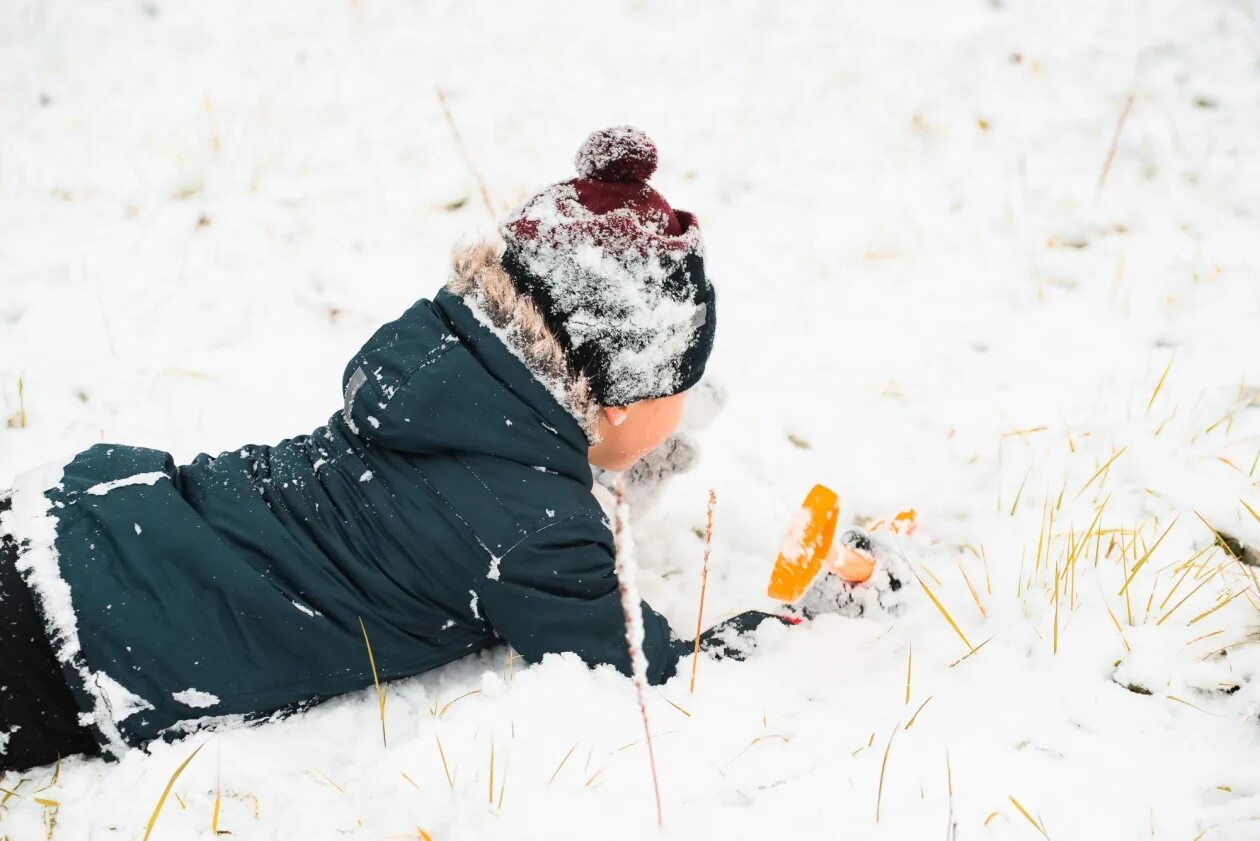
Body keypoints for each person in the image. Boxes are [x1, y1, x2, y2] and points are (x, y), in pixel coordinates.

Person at [0, 127, 889, 775]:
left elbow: (490, 493)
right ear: (619, 399)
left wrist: (606, 461)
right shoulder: (534, 526)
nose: (691, 402)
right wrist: (786, 628)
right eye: (680, 386)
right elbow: (644, 669)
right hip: (100, 642)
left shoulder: (439, 359)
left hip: (103, 519)